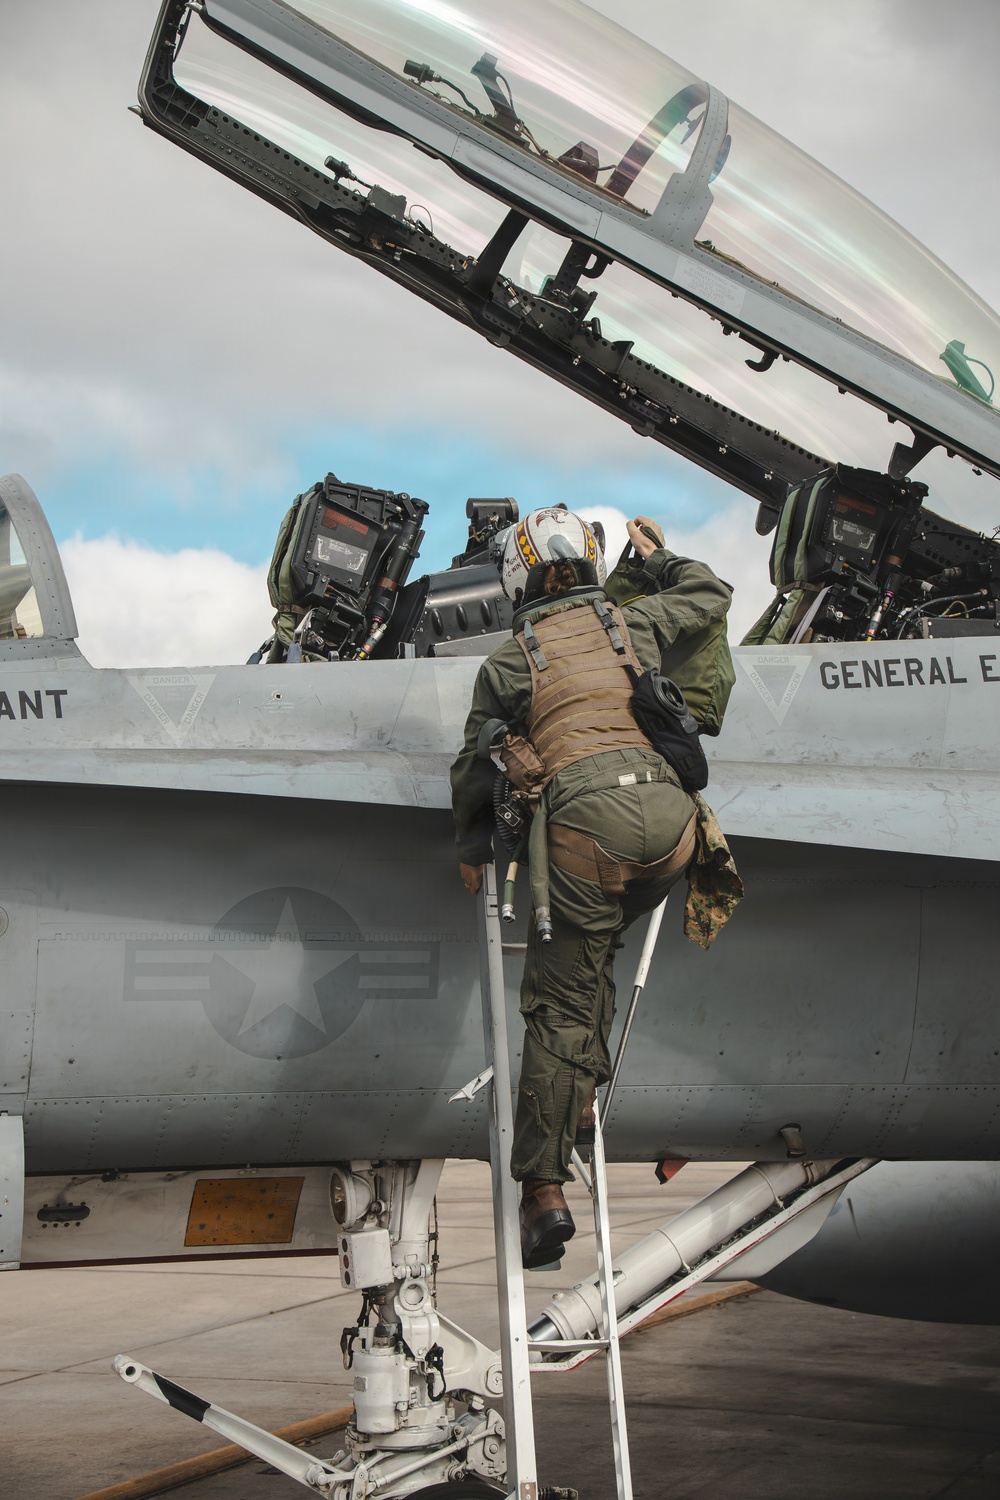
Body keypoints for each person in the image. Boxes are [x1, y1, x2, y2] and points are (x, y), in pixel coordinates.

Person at [450, 507, 732, 1268]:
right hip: (673, 829)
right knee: (595, 950)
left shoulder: (510, 663)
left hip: (587, 830)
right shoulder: (630, 623)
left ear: (518, 574)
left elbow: (475, 768)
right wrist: (661, 558)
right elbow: (712, 594)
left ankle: (542, 1191)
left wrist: (473, 848)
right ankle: (575, 1103)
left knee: (560, 1000)